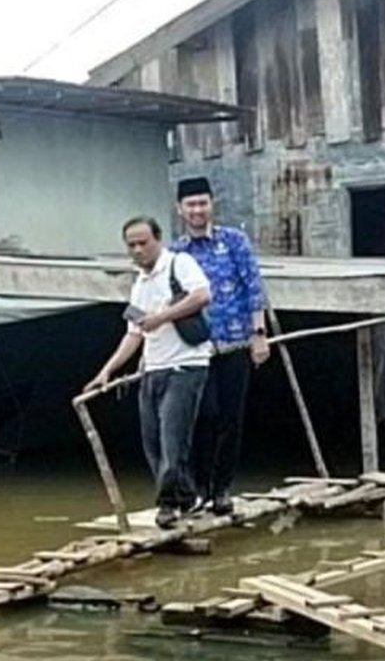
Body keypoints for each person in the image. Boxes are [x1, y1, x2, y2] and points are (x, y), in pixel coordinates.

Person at [85, 216, 212, 530]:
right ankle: (187, 497)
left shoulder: (179, 264)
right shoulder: (139, 283)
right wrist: (107, 371)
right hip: (153, 368)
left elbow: (202, 296)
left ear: (158, 240)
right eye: (132, 245)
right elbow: (134, 333)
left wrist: (162, 317)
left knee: (173, 439)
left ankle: (168, 505)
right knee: (153, 442)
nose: (138, 250)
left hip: (186, 365)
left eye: (144, 243)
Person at [170, 177, 269, 516]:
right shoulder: (176, 252)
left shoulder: (234, 241)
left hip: (236, 342)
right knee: (202, 416)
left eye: (202, 203)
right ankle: (198, 489)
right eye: (190, 205)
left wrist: (259, 333)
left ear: (212, 204)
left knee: (231, 418)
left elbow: (254, 286)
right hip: (196, 349)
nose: (197, 210)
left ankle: (222, 489)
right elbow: (169, 301)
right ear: (180, 210)